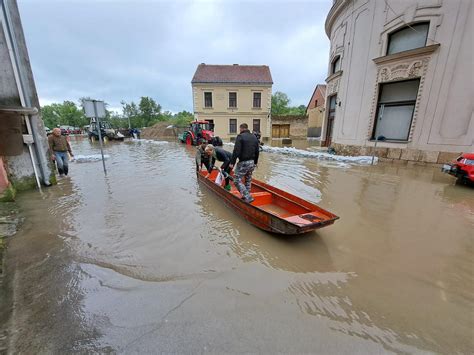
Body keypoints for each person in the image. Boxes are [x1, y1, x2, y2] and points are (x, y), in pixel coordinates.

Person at [230, 123, 260, 203]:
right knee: (248, 179)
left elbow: (236, 150)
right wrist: (255, 162)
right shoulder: (254, 137)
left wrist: (232, 162)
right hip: (252, 162)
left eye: (239, 129)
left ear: (241, 128)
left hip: (244, 162)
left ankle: (247, 196)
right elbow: (257, 150)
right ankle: (247, 195)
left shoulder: (240, 136)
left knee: (236, 180)